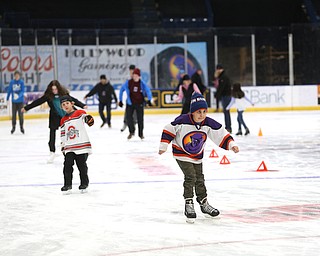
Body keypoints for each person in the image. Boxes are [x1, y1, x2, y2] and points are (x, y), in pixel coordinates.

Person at [159, 92, 239, 223]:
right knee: (190, 176)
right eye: (198, 112)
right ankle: (189, 203)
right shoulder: (183, 120)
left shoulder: (207, 123)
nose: (201, 115)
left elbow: (220, 132)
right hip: (181, 154)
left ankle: (203, 203)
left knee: (200, 178)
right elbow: (169, 129)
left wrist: (231, 144)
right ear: (192, 112)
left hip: (197, 156)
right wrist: (163, 146)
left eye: (204, 111)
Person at [22, 80, 87, 163]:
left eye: (55, 89)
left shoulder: (63, 94)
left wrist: (82, 105)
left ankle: (68, 150)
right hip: (54, 117)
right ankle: (52, 151)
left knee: (68, 134)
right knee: (52, 133)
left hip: (66, 117)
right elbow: (38, 102)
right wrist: (26, 108)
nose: (54, 91)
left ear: (58, 88)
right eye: (53, 89)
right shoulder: (49, 96)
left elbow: (73, 100)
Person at [59, 95, 94, 193]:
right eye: (63, 105)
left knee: (82, 166)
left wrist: (88, 119)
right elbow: (62, 134)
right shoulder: (63, 120)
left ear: (72, 103)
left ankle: (84, 184)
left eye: (67, 103)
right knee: (67, 165)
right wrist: (63, 146)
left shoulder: (79, 113)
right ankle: (67, 185)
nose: (65, 106)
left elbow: (86, 118)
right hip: (69, 147)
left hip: (81, 145)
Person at [118, 68, 152, 140]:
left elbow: (148, 91)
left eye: (136, 75)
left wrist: (149, 100)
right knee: (128, 118)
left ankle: (141, 134)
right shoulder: (129, 82)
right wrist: (120, 100)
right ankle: (131, 132)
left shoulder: (142, 83)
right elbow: (121, 90)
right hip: (130, 103)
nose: (135, 77)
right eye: (134, 75)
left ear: (139, 76)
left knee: (140, 119)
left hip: (139, 103)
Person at [214, 64, 232, 133]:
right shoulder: (222, 76)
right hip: (225, 96)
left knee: (226, 111)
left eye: (217, 69)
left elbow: (221, 87)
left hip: (226, 96)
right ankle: (228, 127)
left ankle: (228, 127)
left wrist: (217, 94)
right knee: (226, 112)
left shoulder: (223, 77)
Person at [120, 64, 137, 132]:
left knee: (135, 113)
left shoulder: (138, 78)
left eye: (133, 70)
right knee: (127, 113)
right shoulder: (127, 79)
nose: (132, 72)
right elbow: (123, 88)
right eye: (131, 70)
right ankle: (125, 123)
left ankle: (133, 125)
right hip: (129, 100)